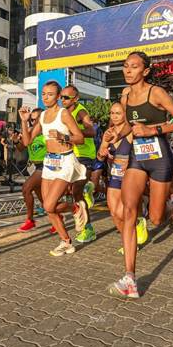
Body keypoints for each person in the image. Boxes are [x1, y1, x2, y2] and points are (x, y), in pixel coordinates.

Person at [108, 51, 173, 299]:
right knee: (129, 210)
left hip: (160, 157)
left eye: (134, 67)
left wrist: (153, 129)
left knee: (155, 218)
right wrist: (116, 136)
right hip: (136, 158)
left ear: (145, 71)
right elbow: (131, 126)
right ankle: (130, 278)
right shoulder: (125, 95)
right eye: (125, 66)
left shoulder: (156, 93)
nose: (128, 70)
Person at [19, 81, 88, 256]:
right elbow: (27, 142)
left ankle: (75, 207)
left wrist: (63, 136)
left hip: (65, 161)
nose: (45, 97)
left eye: (50, 94)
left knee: (49, 204)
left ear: (58, 97)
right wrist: (24, 122)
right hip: (50, 162)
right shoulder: (42, 117)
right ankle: (66, 241)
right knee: (48, 208)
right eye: (43, 94)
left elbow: (80, 138)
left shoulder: (63, 114)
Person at [97, 102, 140, 254]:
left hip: (131, 175)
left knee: (124, 212)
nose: (114, 116)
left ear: (125, 115)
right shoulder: (108, 132)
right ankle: (128, 240)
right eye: (112, 113)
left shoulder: (129, 132)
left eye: (118, 113)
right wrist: (102, 153)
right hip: (115, 174)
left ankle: (135, 226)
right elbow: (100, 156)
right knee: (114, 212)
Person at [60, 86, 98, 244]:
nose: (63, 99)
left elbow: (92, 131)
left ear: (75, 99)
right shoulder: (63, 113)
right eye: (61, 96)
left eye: (66, 97)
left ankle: (88, 229)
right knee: (70, 191)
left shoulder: (81, 112)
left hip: (84, 154)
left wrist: (73, 134)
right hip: (70, 154)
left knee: (76, 192)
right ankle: (88, 187)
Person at [17, 107, 46, 232]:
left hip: (45, 165)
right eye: (31, 120)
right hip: (35, 166)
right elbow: (21, 148)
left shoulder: (47, 132)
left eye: (35, 120)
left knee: (26, 188)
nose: (33, 123)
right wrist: (15, 141)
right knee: (45, 201)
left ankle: (30, 220)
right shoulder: (30, 131)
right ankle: (60, 216)